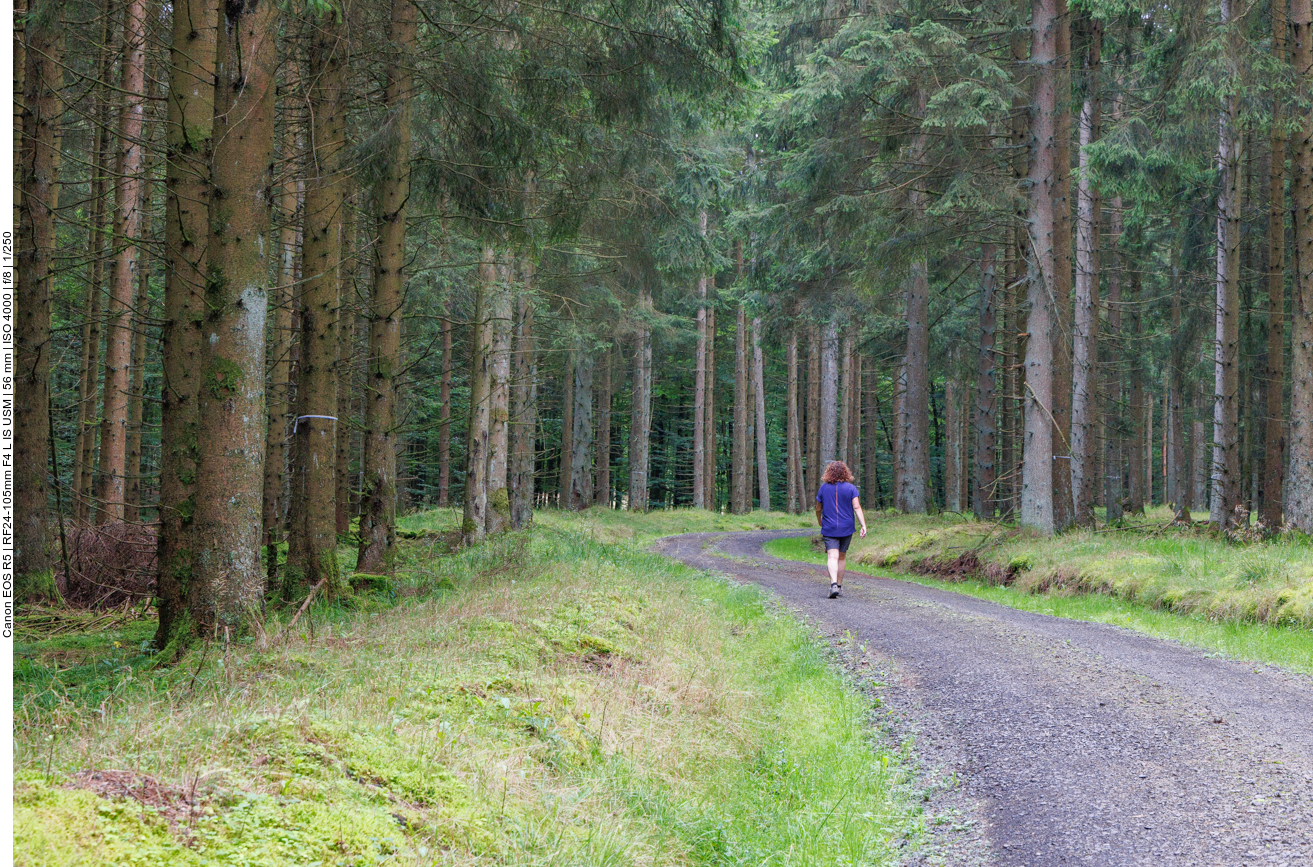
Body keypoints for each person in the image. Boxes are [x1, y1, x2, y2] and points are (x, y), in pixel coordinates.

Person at [814, 460, 867, 598]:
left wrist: (819, 519)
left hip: (829, 527)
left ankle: (833, 585)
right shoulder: (851, 489)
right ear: (845, 472)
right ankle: (839, 585)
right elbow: (856, 507)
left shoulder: (824, 488)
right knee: (842, 557)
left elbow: (818, 508)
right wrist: (863, 525)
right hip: (846, 527)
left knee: (832, 556)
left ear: (828, 473)